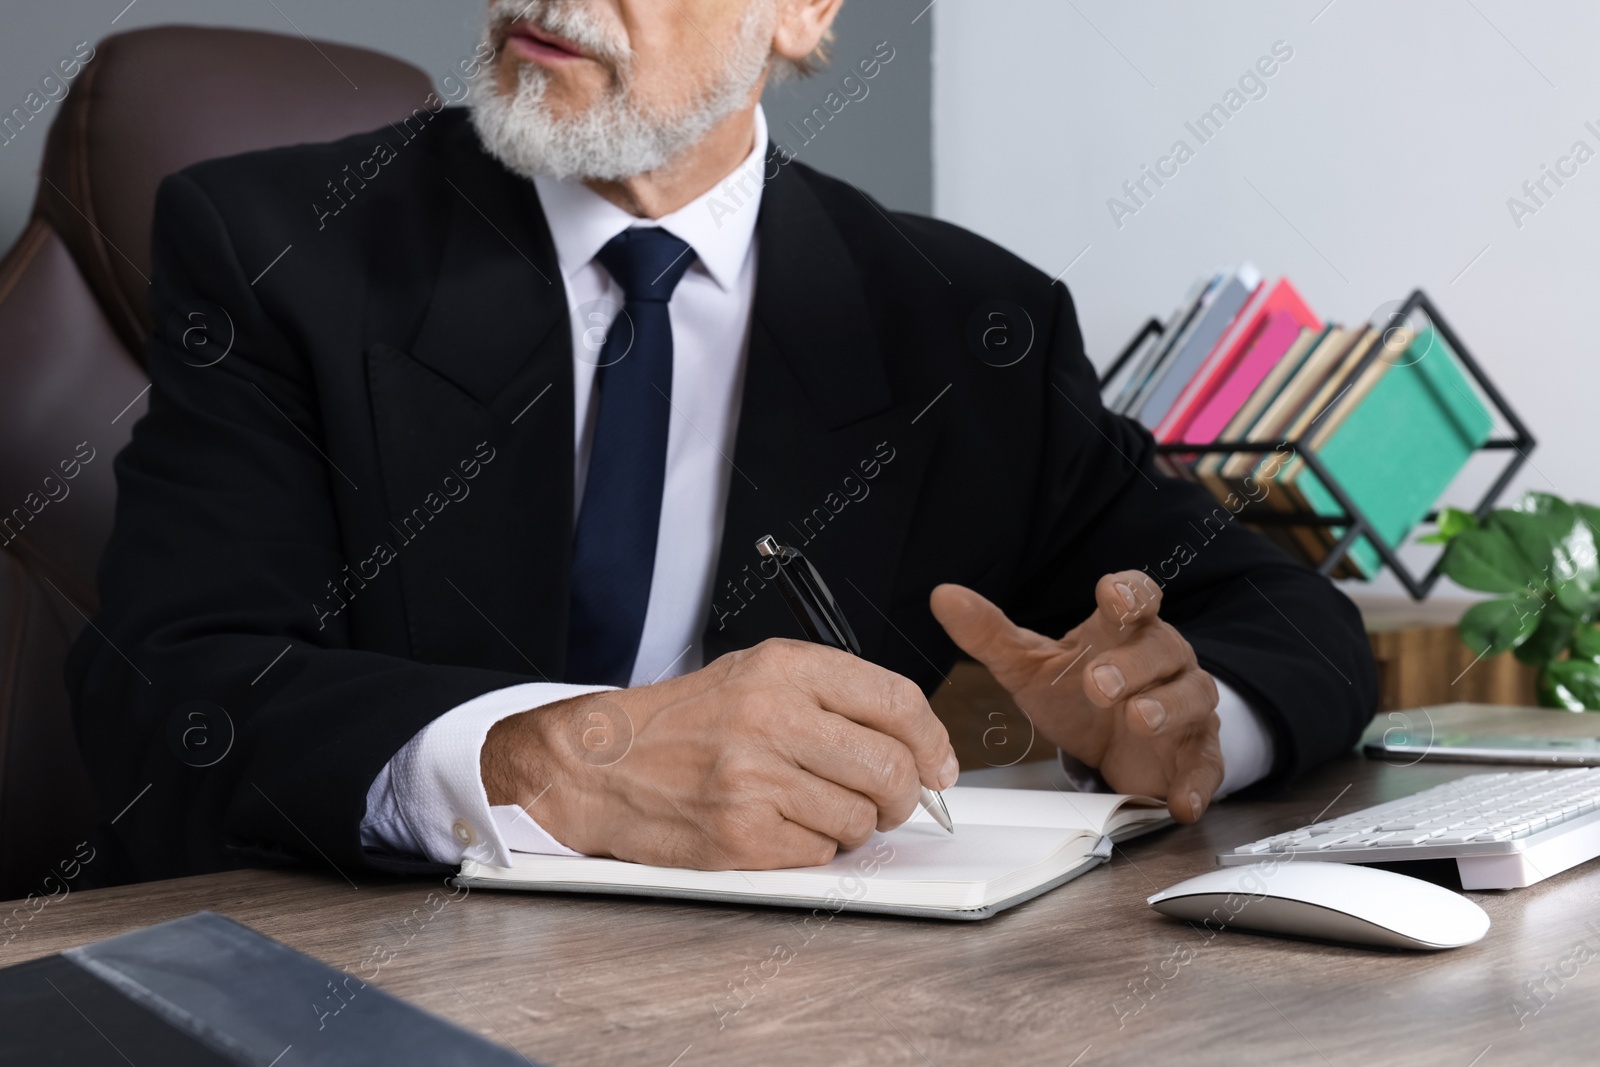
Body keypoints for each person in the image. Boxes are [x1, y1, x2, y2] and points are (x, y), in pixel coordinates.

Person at [68, 0, 1375, 884]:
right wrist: (551, 763)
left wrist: (1188, 722)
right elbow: (172, 697)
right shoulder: (278, 247)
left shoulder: (968, 326)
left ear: (806, 12)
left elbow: (1281, 612)